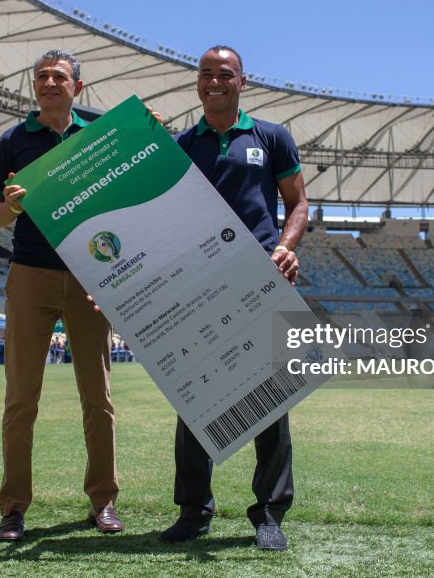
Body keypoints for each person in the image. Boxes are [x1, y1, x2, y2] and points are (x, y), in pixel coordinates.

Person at [161, 45, 308, 551]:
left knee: (270, 402)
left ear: (242, 81)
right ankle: (193, 510)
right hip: (199, 281)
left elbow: (298, 203)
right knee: (195, 398)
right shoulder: (181, 145)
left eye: (225, 74)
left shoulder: (271, 137)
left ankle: (269, 516)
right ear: (197, 83)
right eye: (206, 74)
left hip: (259, 280)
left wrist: (285, 248)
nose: (214, 81)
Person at [0, 49, 122, 542]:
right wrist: (14, 208)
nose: (48, 83)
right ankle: (13, 507)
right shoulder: (13, 140)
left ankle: (103, 500)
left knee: (98, 399)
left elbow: (124, 197)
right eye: (41, 76)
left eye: (59, 76)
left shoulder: (98, 138)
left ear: (76, 87)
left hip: (89, 277)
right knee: (21, 399)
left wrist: (149, 129)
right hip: (31, 274)